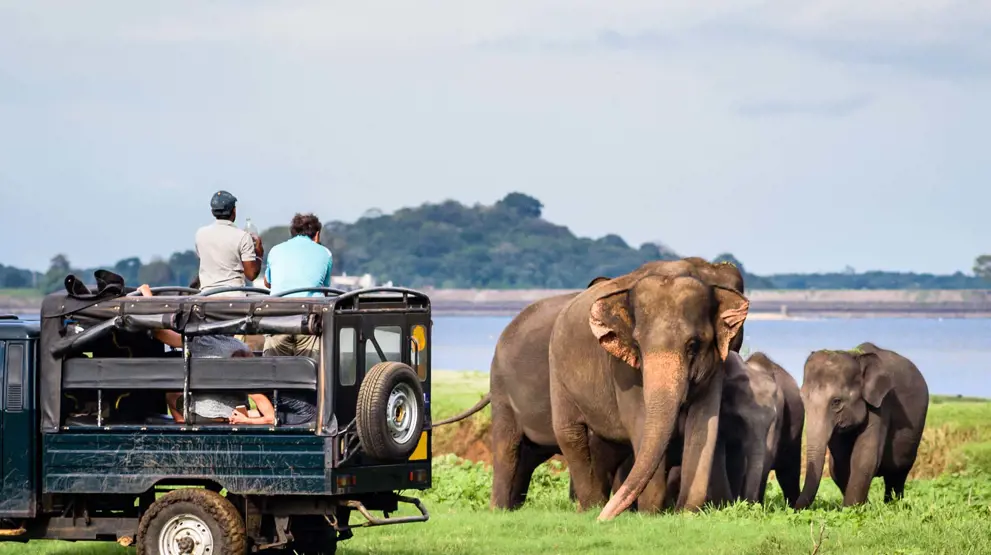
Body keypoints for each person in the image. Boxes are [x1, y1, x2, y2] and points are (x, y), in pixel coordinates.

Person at [261, 212, 333, 359]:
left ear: (292, 233)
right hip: (309, 319)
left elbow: (268, 283)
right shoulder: (325, 253)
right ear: (317, 234)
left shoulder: (276, 250)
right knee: (311, 373)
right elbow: (324, 290)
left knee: (273, 371)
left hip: (277, 318)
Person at [194, 190, 264, 296]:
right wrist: (259, 255)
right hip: (234, 298)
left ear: (212, 212)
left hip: (207, 296)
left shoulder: (200, 234)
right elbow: (251, 274)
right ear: (234, 211)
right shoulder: (243, 236)